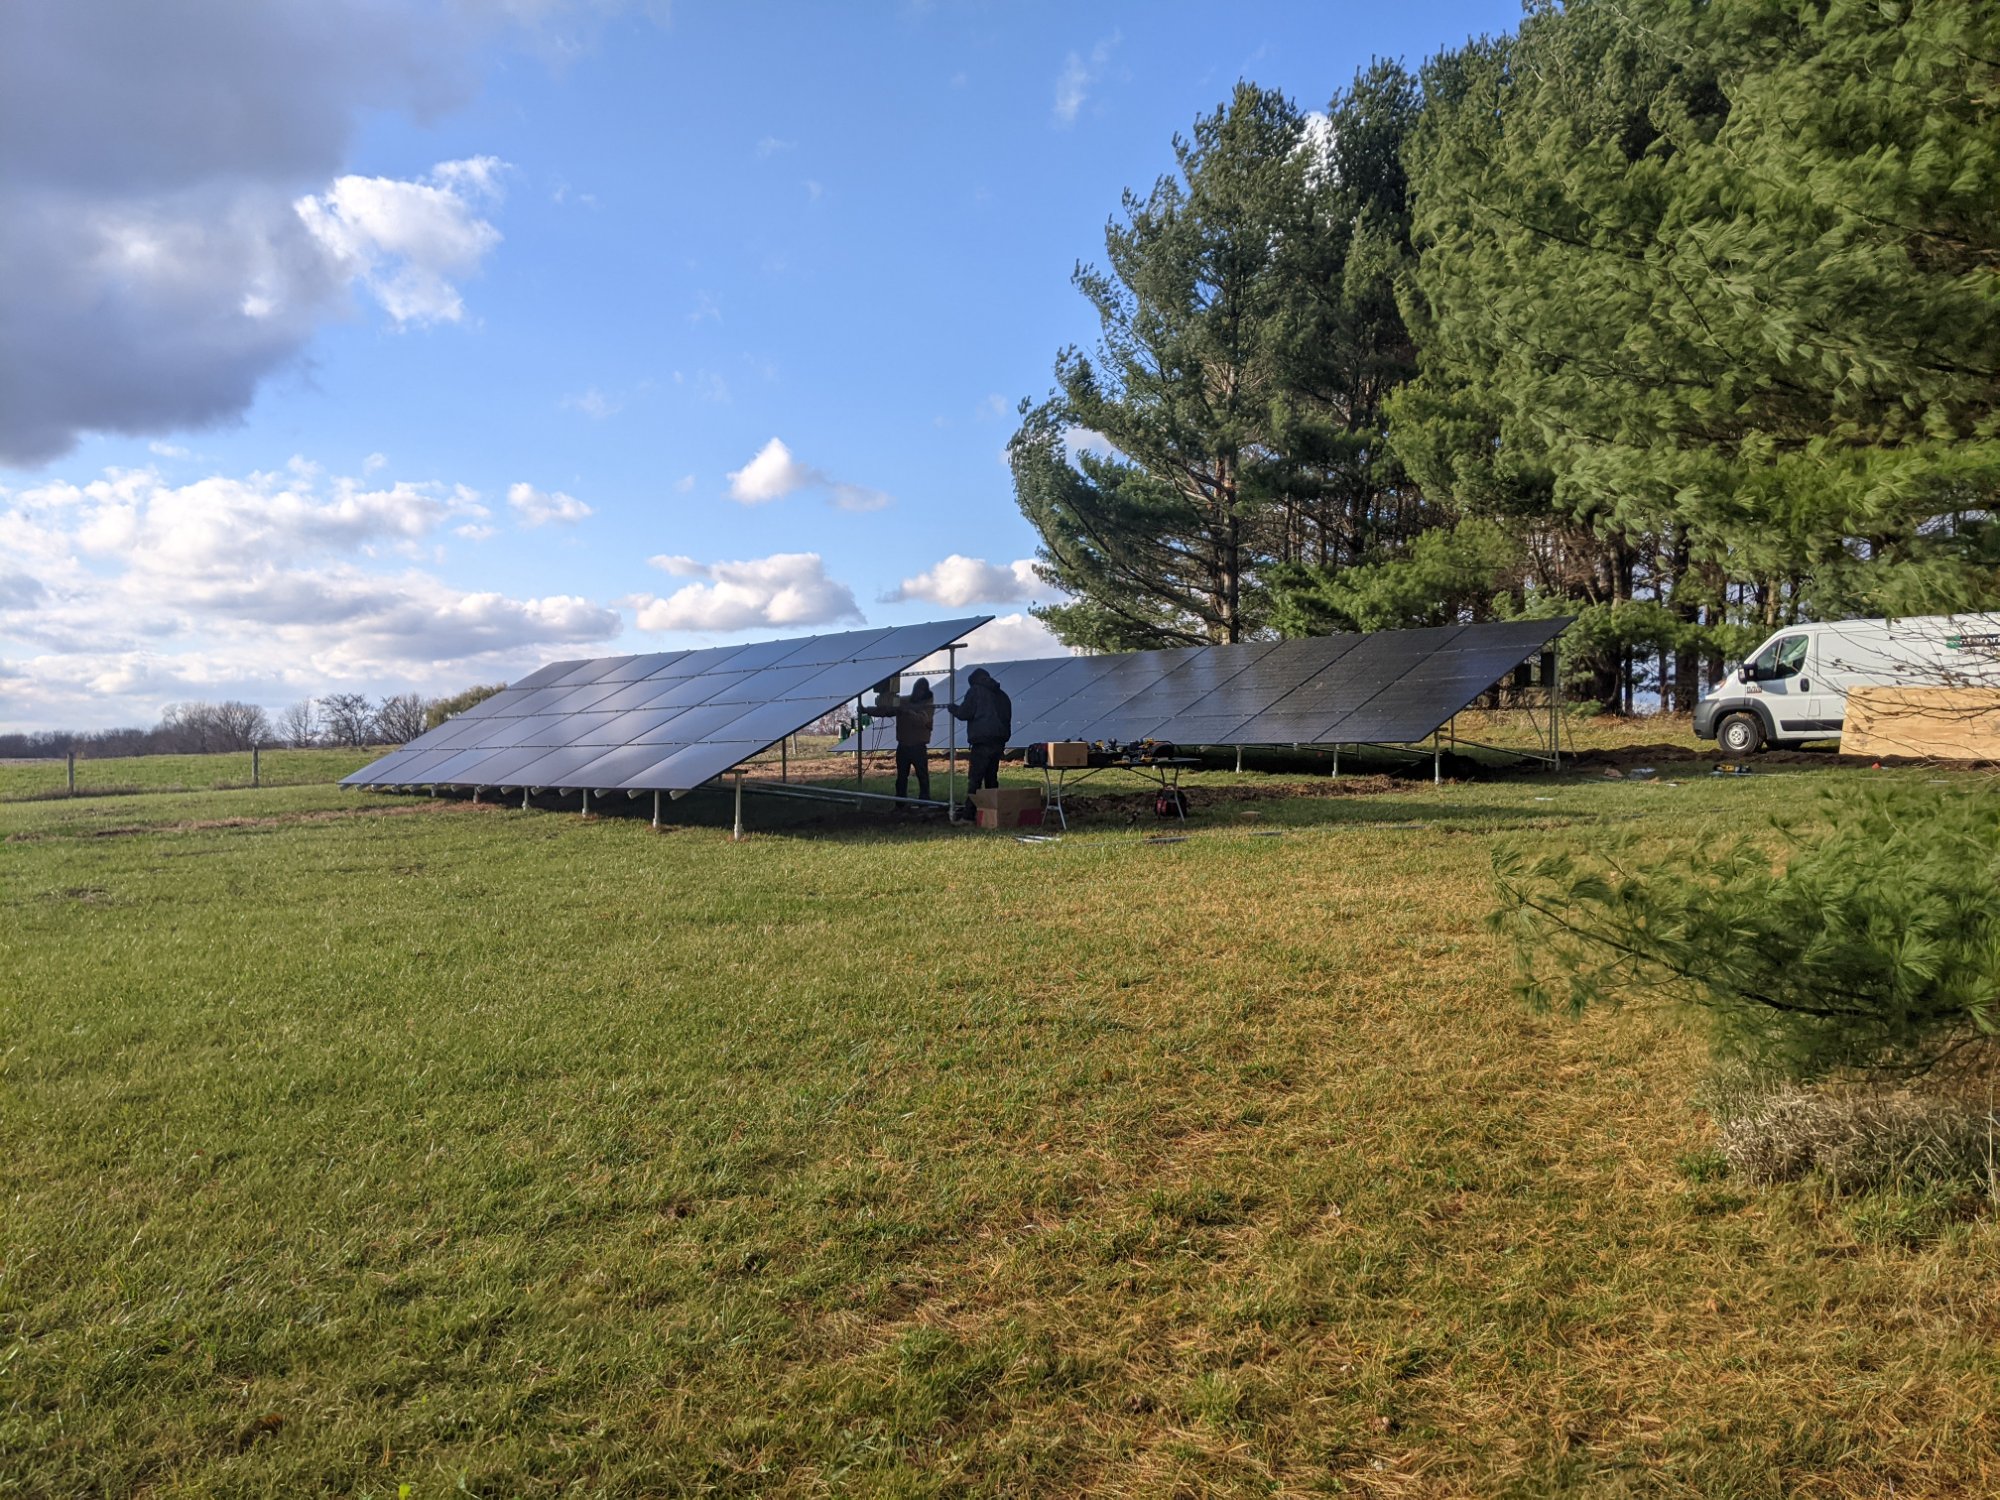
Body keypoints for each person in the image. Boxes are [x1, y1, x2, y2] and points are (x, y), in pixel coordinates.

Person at [947, 666, 1011, 817]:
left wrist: (953, 709)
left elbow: (965, 713)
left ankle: (969, 814)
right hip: (999, 741)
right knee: (991, 779)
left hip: (982, 741)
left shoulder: (975, 691)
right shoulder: (1002, 695)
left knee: (975, 779)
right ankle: (992, 813)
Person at [888, 677, 935, 802]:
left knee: (922, 776)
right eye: (917, 689)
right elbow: (887, 710)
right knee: (901, 777)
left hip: (918, 746)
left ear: (925, 692)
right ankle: (900, 803)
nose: (918, 692)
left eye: (921, 690)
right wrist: (867, 710)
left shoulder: (928, 704)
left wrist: (909, 712)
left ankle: (924, 802)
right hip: (903, 745)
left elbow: (923, 720)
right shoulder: (903, 701)